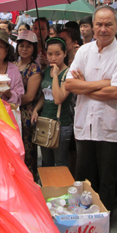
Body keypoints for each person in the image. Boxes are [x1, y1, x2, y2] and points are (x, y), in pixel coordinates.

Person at [65, 5, 117, 213]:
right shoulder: (84, 51)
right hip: (85, 124)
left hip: (110, 127)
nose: (103, 29)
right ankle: (85, 215)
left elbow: (116, 93)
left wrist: (84, 86)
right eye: (99, 24)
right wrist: (103, 83)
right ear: (93, 26)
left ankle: (104, 217)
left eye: (108, 24)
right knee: (85, 175)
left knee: (107, 178)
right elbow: (69, 85)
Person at [32, 38, 73, 167]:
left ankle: (61, 187)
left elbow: (58, 98)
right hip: (45, 122)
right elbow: (45, 94)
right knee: (46, 162)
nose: (53, 58)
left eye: (57, 54)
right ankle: (47, 187)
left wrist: (55, 76)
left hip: (61, 124)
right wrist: (36, 109)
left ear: (65, 54)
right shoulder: (46, 71)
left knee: (60, 162)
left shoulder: (68, 73)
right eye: (50, 54)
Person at [15, 30, 42, 179]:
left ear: (34, 49)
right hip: (12, 111)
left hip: (26, 114)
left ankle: (30, 178)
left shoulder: (34, 69)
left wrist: (11, 101)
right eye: (21, 45)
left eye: (28, 46)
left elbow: (30, 96)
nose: (24, 49)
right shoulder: (12, 64)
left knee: (28, 148)